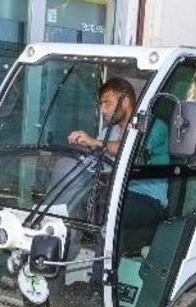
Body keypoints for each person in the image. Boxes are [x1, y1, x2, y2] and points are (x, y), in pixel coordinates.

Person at [67, 77, 170, 255]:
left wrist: (95, 143)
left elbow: (133, 150)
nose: (102, 110)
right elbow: (94, 163)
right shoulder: (108, 132)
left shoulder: (155, 127)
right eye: (101, 104)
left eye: (107, 103)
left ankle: (102, 277)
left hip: (147, 199)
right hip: (111, 192)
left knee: (111, 208)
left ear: (125, 101)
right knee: (71, 200)